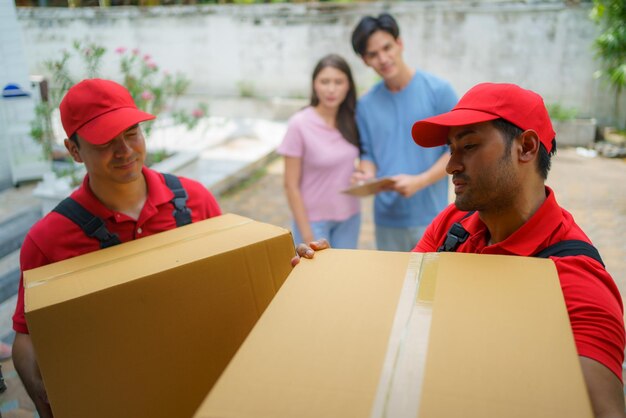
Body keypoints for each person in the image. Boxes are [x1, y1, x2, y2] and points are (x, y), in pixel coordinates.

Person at [294, 82, 625, 417]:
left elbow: (600, 411)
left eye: (468, 145)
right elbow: (398, 298)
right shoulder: (455, 223)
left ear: (525, 147)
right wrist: (327, 276)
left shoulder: (575, 282)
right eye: (451, 149)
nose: (451, 166)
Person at [11, 78, 222, 418]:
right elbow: (26, 334)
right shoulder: (48, 239)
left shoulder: (195, 200)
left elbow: (233, 277)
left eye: (131, 133)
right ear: (74, 150)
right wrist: (41, 395)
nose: (124, 150)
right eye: (105, 142)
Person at [351, 13, 458, 251]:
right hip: (387, 219)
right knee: (394, 286)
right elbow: (368, 155)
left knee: (432, 286)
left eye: (387, 47)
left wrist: (420, 181)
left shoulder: (439, 91)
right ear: (364, 60)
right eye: (373, 54)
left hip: (432, 216)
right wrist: (365, 176)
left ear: (400, 44)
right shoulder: (365, 105)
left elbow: (457, 151)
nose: (383, 58)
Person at [278, 54, 361, 249]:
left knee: (345, 277)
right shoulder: (299, 124)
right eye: (325, 81)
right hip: (313, 221)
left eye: (338, 82)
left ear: (348, 85)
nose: (331, 89)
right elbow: (291, 185)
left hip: (350, 217)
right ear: (314, 84)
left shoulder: (353, 120)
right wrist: (307, 234)